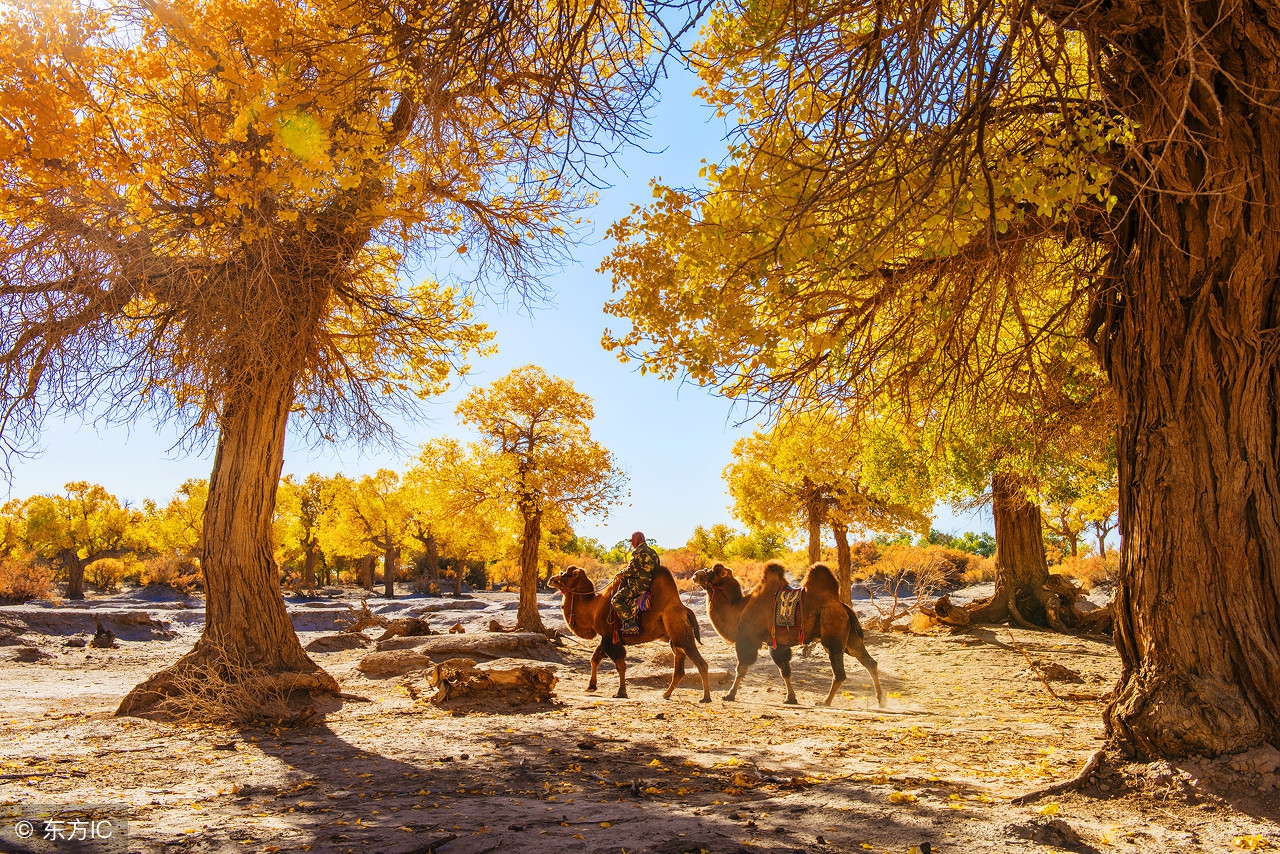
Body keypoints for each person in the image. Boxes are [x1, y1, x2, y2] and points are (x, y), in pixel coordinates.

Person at [611, 531, 660, 630]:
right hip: (652, 585)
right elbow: (658, 568)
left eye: (633, 541)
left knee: (616, 599)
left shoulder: (637, 552)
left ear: (637, 540)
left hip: (638, 586)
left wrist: (620, 574)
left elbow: (630, 571)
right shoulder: (653, 552)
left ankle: (630, 622)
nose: (632, 544)